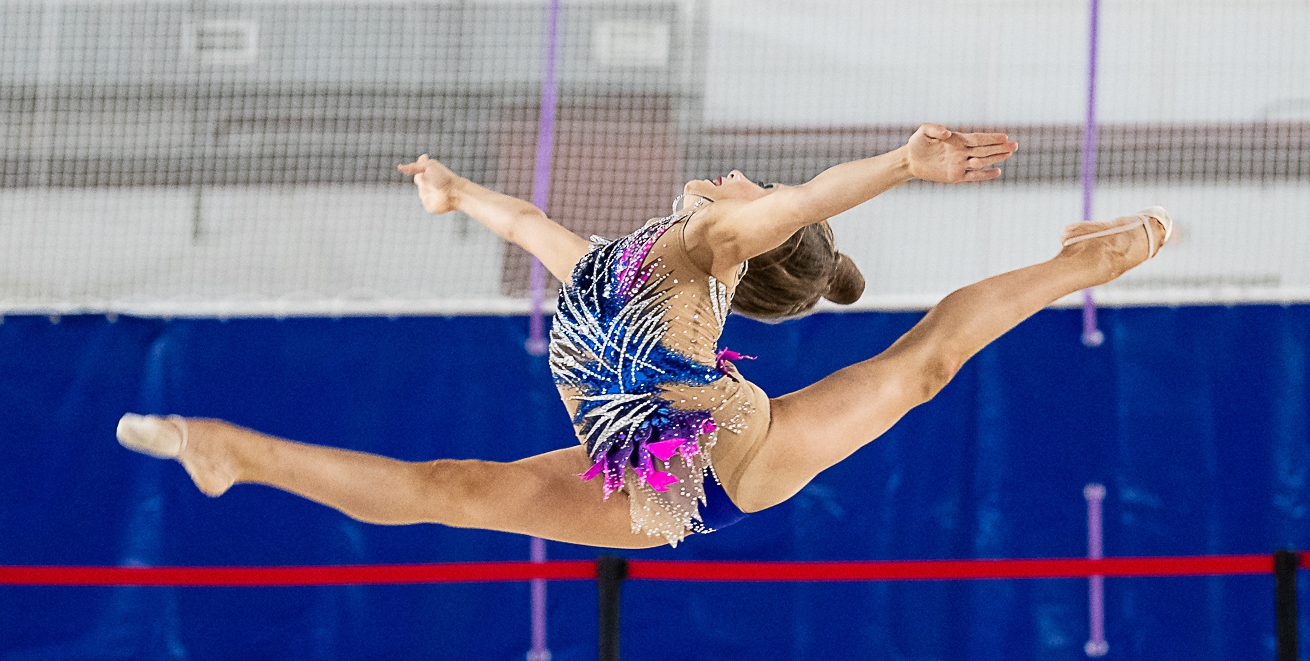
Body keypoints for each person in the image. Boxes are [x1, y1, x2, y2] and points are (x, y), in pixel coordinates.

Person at [117, 125, 1171, 548]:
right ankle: (229, 451)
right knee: (447, 487)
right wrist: (455, 194)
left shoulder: (714, 239)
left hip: (708, 444)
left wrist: (903, 163)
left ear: (763, 235)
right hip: (652, 477)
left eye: (755, 195)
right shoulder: (614, 260)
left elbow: (801, 195)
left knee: (923, 364)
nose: (735, 178)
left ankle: (1089, 260)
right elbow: (532, 228)